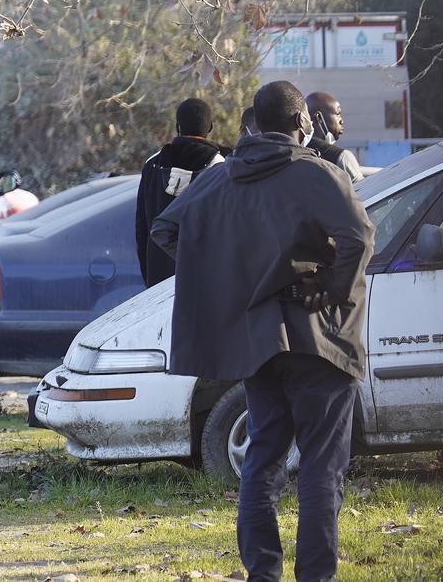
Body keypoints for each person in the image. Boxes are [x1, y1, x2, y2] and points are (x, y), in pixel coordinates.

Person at [150, 81, 374, 582]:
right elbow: (359, 236)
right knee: (321, 465)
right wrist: (332, 286)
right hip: (317, 339)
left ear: (252, 125)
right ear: (303, 124)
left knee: (263, 458)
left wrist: (231, 280)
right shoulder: (315, 173)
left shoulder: (219, 178)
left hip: (258, 345)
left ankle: (263, 574)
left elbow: (165, 231)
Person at [135, 97, 226, 288]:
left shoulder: (152, 165)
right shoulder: (220, 168)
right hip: (201, 279)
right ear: (210, 127)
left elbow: (141, 228)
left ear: (178, 126)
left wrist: (148, 274)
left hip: (157, 277)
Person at [304, 91, 364, 182]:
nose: (342, 121)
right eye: (338, 114)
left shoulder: (297, 151)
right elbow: (363, 193)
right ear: (319, 118)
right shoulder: (342, 157)